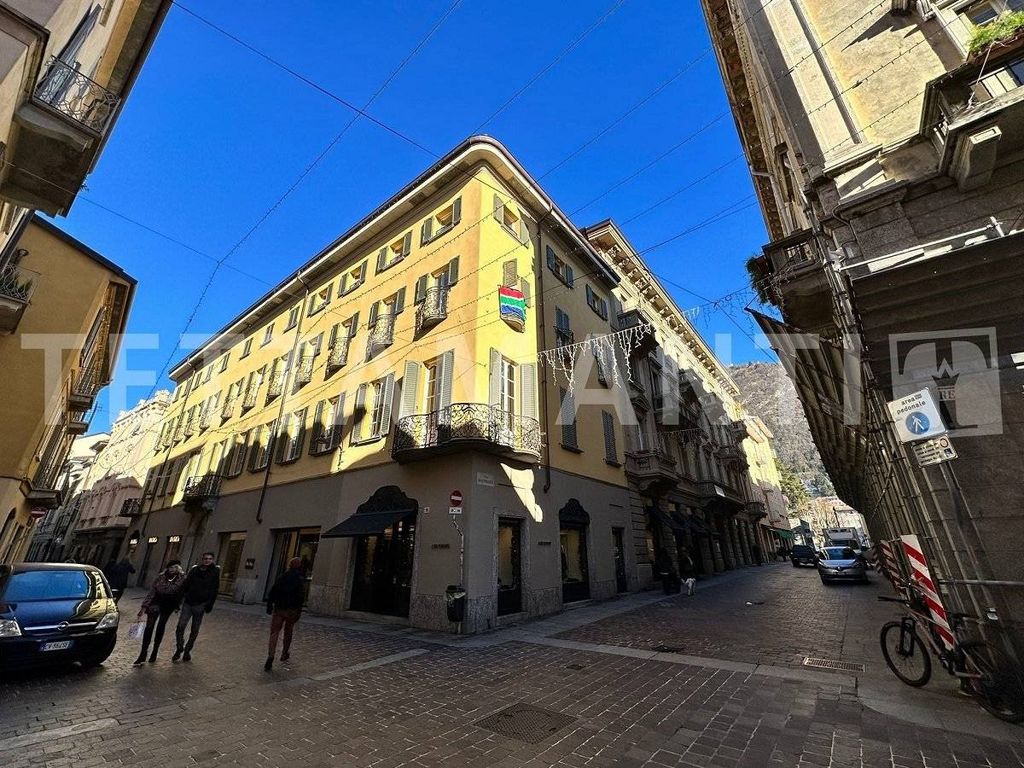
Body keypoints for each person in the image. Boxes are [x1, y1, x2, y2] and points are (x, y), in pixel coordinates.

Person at [134, 561, 185, 665]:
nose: (172, 569)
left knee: (161, 626)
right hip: (155, 603)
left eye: (174, 567)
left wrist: (177, 604)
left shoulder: (181, 578)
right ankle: (143, 653)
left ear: (178, 568)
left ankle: (155, 650)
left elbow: (176, 591)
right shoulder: (161, 577)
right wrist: (144, 606)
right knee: (149, 627)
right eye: (170, 567)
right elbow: (152, 591)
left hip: (168, 605)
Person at [173, 552, 220, 662]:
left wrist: (209, 604)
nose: (207, 560)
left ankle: (187, 651)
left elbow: (215, 589)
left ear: (212, 560)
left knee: (195, 629)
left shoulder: (215, 572)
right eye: (205, 558)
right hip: (188, 602)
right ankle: (179, 647)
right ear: (202, 560)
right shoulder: (195, 570)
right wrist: (178, 601)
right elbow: (186, 584)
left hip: (201, 604)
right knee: (180, 626)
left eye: (209, 559)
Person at [264, 557, 305, 672]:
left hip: (279, 608)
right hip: (291, 610)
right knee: (288, 631)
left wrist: (269, 604)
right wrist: (299, 611)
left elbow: (273, 590)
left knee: (274, 632)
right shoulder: (299, 579)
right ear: (299, 566)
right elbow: (301, 597)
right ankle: (284, 653)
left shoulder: (282, 576)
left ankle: (271, 655)